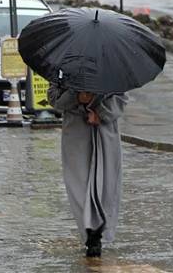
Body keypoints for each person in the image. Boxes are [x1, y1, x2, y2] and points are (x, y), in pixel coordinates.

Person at [48, 85, 128, 257]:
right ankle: (90, 233)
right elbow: (54, 99)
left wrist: (100, 112)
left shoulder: (111, 68)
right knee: (78, 184)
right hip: (75, 131)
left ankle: (102, 228)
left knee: (107, 181)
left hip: (106, 131)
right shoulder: (63, 69)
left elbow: (121, 98)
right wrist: (77, 98)